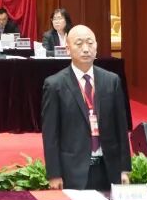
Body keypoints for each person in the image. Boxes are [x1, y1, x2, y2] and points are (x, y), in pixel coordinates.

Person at [41, 25, 131, 191]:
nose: (85, 49)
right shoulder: (55, 85)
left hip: (108, 168)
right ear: (68, 49)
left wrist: (125, 168)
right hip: (72, 170)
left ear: (96, 46)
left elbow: (121, 128)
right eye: (79, 43)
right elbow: (50, 135)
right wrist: (54, 174)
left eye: (90, 43)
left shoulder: (112, 81)